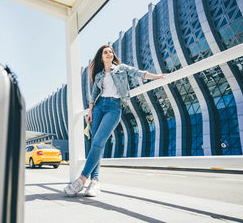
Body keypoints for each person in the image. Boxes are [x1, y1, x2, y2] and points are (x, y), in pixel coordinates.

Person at [64, 45, 166, 197]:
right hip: (99, 107)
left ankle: (82, 180)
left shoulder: (121, 68)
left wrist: (156, 76)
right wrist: (90, 111)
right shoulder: (99, 75)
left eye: (111, 52)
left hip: (114, 107)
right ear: (101, 57)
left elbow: (139, 73)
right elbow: (94, 94)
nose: (109, 54)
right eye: (105, 52)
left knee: (99, 141)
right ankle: (94, 182)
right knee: (96, 144)